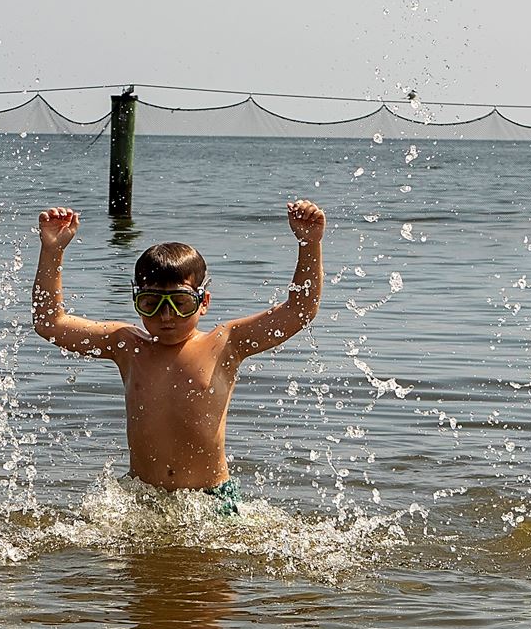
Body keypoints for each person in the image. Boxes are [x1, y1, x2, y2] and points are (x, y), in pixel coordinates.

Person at [30, 199, 327, 512]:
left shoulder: (226, 344)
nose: (166, 316)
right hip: (140, 498)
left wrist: (309, 244)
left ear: (203, 301)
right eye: (150, 303)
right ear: (136, 300)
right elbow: (50, 323)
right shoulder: (127, 346)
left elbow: (299, 311)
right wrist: (53, 250)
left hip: (210, 502)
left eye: (180, 303)